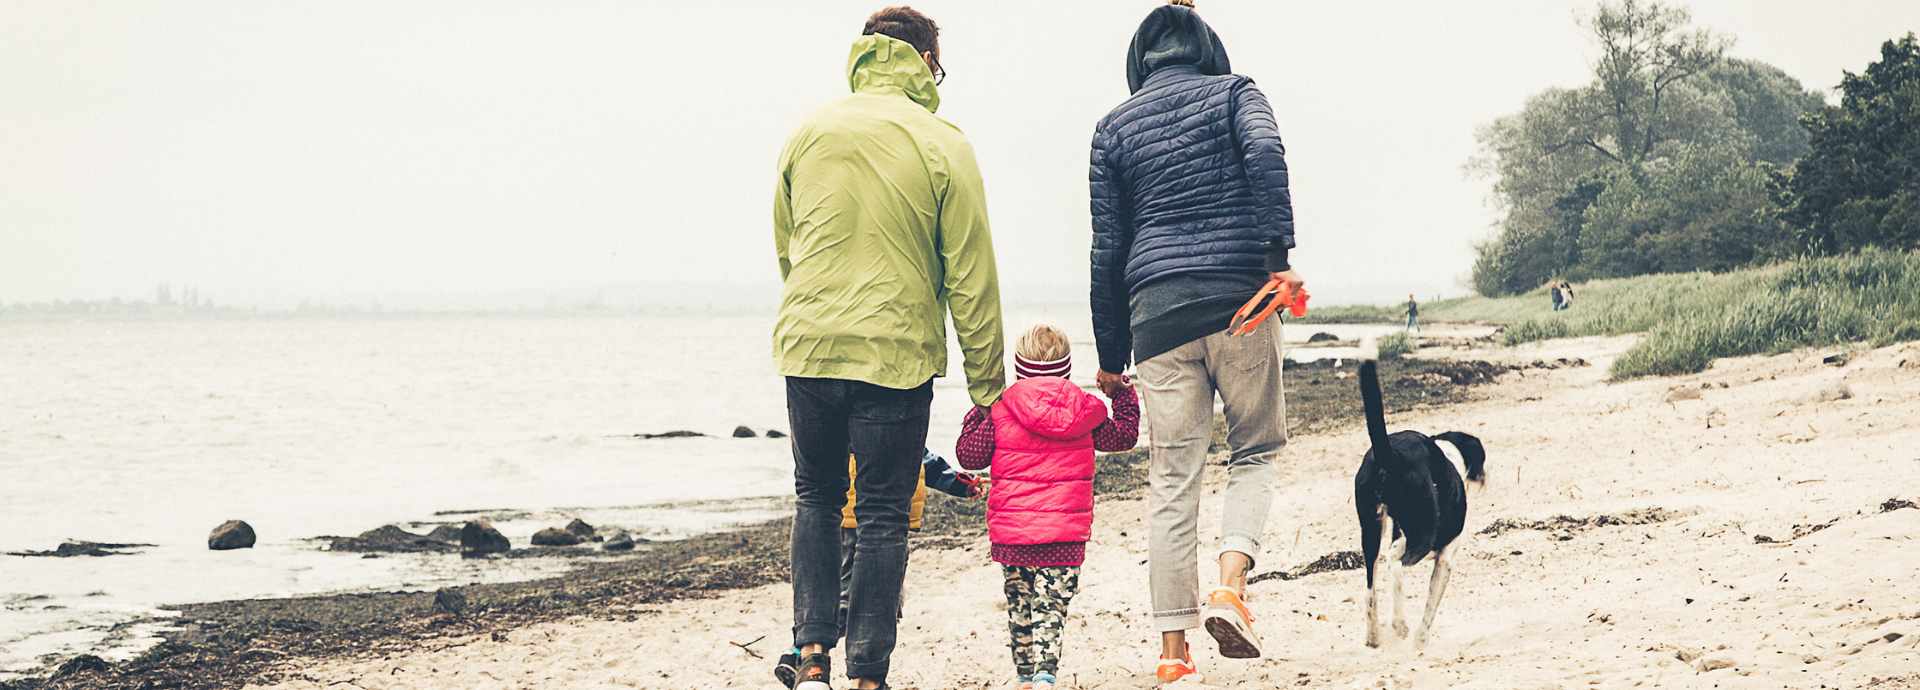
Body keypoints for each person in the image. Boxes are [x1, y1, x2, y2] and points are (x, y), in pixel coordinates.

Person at [771, 6, 1006, 689]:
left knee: (816, 498)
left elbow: (789, 244)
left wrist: (815, 317)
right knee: (881, 515)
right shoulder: (942, 142)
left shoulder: (809, 132)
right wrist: (988, 390)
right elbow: (971, 277)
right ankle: (868, 675)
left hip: (810, 343)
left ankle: (812, 654)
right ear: (927, 63)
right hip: (895, 353)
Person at [1087, 0, 1299, 681]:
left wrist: (1111, 356)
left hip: (1156, 317)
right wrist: (1277, 258)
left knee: (1173, 479)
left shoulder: (1113, 127)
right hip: (1241, 301)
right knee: (1255, 449)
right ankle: (1230, 588)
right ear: (1207, 48)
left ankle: (1173, 654)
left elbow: (1107, 247)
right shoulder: (1237, 93)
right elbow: (1265, 154)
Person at [955, 325, 1140, 690]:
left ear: (1019, 367)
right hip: (1065, 532)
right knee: (1052, 606)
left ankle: (1025, 675)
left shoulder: (1001, 408)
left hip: (1014, 532)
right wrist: (1122, 394)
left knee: (1019, 606)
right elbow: (1124, 436)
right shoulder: (1084, 409)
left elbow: (969, 456)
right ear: (1066, 368)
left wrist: (979, 408)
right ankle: (1045, 674)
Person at [774, 450, 983, 687]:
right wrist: (956, 483)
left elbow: (921, 458)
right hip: (867, 519)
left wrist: (958, 483)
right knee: (857, 598)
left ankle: (810, 653)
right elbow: (917, 455)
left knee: (868, 595)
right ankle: (803, 653)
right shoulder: (873, 435)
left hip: (869, 517)